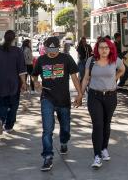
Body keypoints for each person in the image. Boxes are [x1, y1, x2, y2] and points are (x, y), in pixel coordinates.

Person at [32, 36, 83, 172]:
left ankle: (64, 141)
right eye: (50, 49)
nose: (53, 52)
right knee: (47, 130)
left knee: (65, 127)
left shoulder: (66, 58)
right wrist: (36, 82)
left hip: (63, 99)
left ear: (59, 48)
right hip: (47, 98)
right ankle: (48, 157)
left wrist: (79, 93)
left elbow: (74, 76)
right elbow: (34, 74)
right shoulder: (41, 60)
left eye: (55, 49)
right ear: (45, 48)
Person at [81, 37, 125, 169]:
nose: (104, 50)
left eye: (106, 47)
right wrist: (80, 95)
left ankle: (104, 148)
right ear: (97, 49)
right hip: (94, 96)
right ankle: (97, 155)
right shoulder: (91, 60)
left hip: (111, 96)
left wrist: (115, 78)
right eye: (101, 47)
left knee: (106, 123)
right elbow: (86, 78)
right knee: (98, 125)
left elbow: (123, 70)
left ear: (110, 48)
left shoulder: (115, 60)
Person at [0, 30, 27, 134]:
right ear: (14, 39)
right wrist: (24, 83)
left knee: (0, 103)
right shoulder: (18, 51)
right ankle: (9, 126)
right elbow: (21, 70)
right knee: (13, 105)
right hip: (13, 83)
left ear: (4, 37)